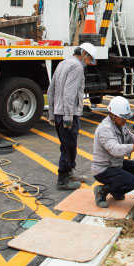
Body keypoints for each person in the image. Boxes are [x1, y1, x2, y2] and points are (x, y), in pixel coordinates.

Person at [47, 42, 97, 190]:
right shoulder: (77, 66)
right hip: (68, 114)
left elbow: (51, 90)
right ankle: (63, 180)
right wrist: (68, 117)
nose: (89, 63)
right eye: (89, 59)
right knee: (69, 147)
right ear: (84, 54)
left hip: (59, 113)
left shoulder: (63, 63)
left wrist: (51, 113)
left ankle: (69, 172)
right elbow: (70, 93)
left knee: (67, 145)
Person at [91, 96, 134, 208]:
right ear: (113, 115)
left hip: (116, 164)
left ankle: (116, 191)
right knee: (132, 181)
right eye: (122, 117)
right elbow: (115, 150)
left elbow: (130, 137)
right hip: (103, 169)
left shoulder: (120, 125)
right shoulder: (105, 129)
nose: (125, 120)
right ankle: (102, 191)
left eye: (126, 117)